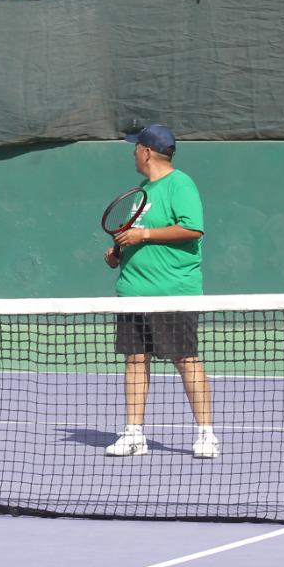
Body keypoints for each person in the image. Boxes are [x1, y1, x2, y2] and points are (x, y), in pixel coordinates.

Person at [103, 123, 219, 459]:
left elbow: (192, 228)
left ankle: (206, 435)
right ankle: (134, 434)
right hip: (134, 291)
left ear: (146, 151)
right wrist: (118, 252)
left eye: (135, 147)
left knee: (185, 359)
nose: (133, 152)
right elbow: (133, 233)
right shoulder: (142, 191)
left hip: (172, 292)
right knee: (136, 360)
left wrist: (143, 237)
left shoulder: (180, 184)